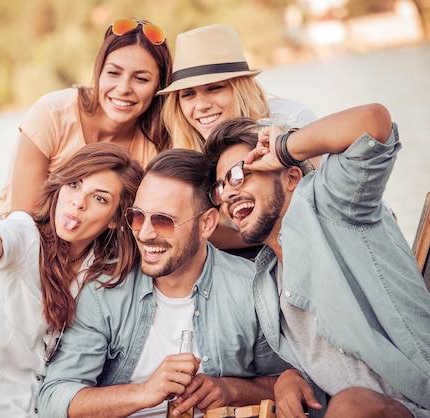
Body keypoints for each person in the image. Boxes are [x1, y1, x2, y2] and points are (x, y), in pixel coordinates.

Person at [203, 105, 430, 417]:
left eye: (240, 174)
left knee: (352, 405)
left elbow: (374, 122)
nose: (227, 193)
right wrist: (291, 378)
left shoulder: (333, 205)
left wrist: (284, 148)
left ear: (291, 177)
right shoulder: (266, 282)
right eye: (221, 186)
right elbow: (334, 364)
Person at [38, 149, 291, 418]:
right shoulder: (104, 290)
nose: (145, 234)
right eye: (137, 217)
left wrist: (231, 390)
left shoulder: (252, 288)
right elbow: (54, 400)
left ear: (207, 224)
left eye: (163, 221)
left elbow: (290, 382)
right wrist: (144, 392)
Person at [0, 143, 144, 418]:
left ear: (115, 219)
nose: (78, 202)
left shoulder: (101, 271)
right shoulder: (25, 233)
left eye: (99, 198)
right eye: (75, 185)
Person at [158, 24, 317, 254]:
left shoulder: (288, 119)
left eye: (214, 88)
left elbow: (322, 197)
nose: (201, 106)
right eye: (188, 94)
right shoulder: (187, 150)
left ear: (239, 88)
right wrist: (258, 233)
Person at [0, 17, 172, 221]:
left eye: (141, 79)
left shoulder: (158, 140)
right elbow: (24, 221)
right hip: (23, 232)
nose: (123, 89)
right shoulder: (52, 114)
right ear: (99, 72)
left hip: (97, 241)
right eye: (113, 73)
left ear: (159, 85)